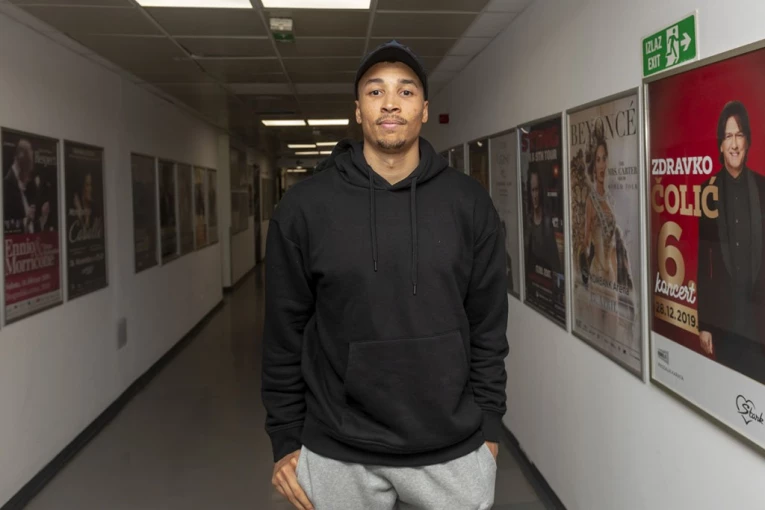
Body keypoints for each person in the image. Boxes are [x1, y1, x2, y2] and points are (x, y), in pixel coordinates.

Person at [261, 40, 509, 510]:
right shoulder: (305, 208)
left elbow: (488, 327)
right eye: (375, 92)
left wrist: (490, 426)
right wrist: (286, 438)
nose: (391, 103)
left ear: (424, 109)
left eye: (406, 91)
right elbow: (282, 334)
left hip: (453, 447)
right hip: (338, 447)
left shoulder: (469, 204)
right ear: (358, 110)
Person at [697, 101, 765, 384]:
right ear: (721, 144)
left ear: (747, 140)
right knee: (727, 388)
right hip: (724, 322)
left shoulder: (762, 188)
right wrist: (704, 324)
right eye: (728, 136)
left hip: (758, 321)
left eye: (739, 135)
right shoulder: (708, 190)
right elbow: (704, 261)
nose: (734, 144)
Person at [580, 131, 635, 337]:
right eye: (598, 160)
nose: (602, 165)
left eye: (604, 159)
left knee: (612, 333)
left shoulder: (611, 200)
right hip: (596, 274)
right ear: (594, 166)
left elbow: (619, 239)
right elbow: (585, 242)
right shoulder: (590, 201)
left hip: (610, 277)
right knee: (596, 333)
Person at [525, 167, 561, 275]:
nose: (535, 196)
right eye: (532, 190)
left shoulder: (547, 222)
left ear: (540, 191)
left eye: (536, 189)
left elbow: (555, 263)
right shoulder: (528, 221)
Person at [4, 138, 38, 233]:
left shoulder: (20, 184)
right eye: (28, 166)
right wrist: (25, 222)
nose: (28, 177)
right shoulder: (6, 185)